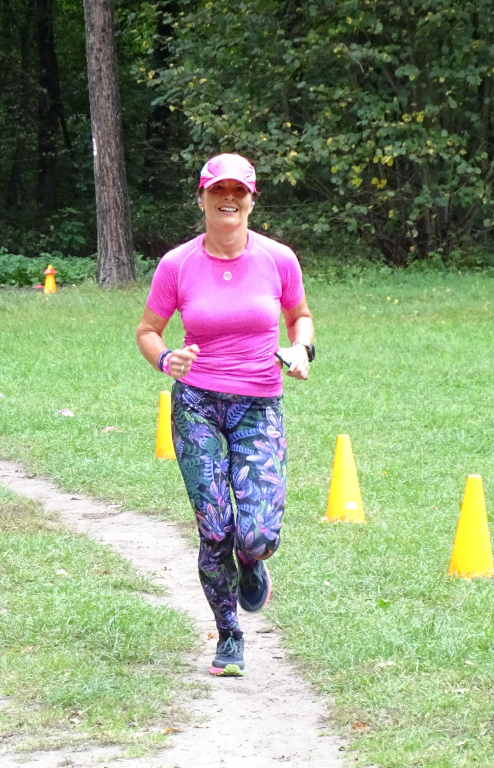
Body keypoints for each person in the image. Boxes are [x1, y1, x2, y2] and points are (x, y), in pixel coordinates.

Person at [136, 153, 315, 677]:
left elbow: (299, 316)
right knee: (215, 528)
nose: (229, 198)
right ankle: (229, 634)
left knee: (256, 535)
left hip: (259, 403)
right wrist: (167, 358)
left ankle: (253, 563)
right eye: (219, 190)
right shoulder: (177, 264)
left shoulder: (279, 259)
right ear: (202, 198)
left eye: (239, 190)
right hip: (196, 404)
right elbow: (148, 330)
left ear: (253, 199)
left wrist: (302, 349)